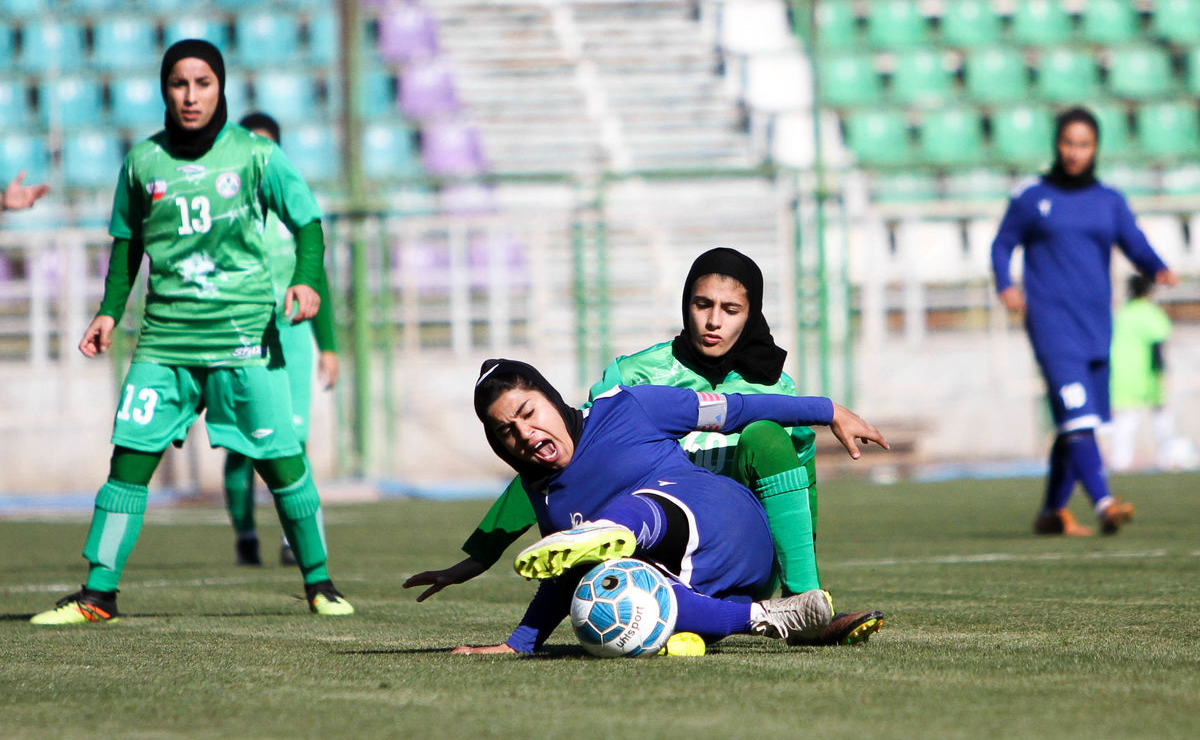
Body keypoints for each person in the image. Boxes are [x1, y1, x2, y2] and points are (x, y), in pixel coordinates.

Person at [405, 248, 885, 645]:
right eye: (701, 305)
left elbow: (800, 479)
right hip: (665, 558)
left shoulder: (778, 390)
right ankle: (720, 617)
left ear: (751, 313)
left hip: (733, 524)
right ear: (685, 304)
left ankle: (805, 605)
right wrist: (481, 559)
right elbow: (559, 466)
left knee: (764, 435)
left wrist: (828, 410)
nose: (713, 321)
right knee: (626, 590)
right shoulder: (633, 377)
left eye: (730, 309)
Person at [29, 40, 353, 624]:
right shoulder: (142, 162)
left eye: (203, 83)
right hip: (165, 342)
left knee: (282, 463)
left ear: (220, 87)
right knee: (127, 461)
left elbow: (308, 222)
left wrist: (306, 280)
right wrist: (108, 310)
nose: (191, 95)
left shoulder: (256, 156)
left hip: (245, 341)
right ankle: (98, 594)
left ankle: (319, 582)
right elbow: (126, 248)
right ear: (164, 90)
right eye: (179, 84)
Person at [446, 358, 889, 655]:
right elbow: (562, 579)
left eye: (528, 412)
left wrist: (828, 410)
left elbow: (737, 409)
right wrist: (518, 643)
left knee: (633, 509)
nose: (523, 433)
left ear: (549, 397)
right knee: (613, 585)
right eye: (506, 431)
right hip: (711, 590)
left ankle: (616, 529)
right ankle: (771, 617)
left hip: (732, 528)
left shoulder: (630, 406)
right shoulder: (544, 494)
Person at [991, 106, 1178, 537]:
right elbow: (1003, 245)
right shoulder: (1032, 195)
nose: (1075, 152)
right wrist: (1006, 284)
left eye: (1084, 144)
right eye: (1068, 143)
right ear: (1057, 145)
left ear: (1095, 148)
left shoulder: (1108, 200)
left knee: (1076, 422)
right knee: (1078, 421)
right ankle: (1105, 503)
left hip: (1097, 328)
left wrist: (1158, 267)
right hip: (1052, 326)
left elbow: (1135, 242)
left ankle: (1052, 512)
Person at [223, 112, 340, 567]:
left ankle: (298, 541)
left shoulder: (294, 212)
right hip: (237, 336)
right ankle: (245, 535)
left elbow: (317, 280)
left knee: (294, 439)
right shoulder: (224, 209)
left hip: (289, 338)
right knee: (239, 444)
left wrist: (326, 345)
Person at [1108, 275, 1184, 472]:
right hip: (1147, 373)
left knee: (1126, 419)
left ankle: (1120, 461)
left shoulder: (1122, 313)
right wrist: (1161, 370)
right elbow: (1157, 343)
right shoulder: (1150, 312)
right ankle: (1167, 458)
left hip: (1122, 374)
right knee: (1161, 415)